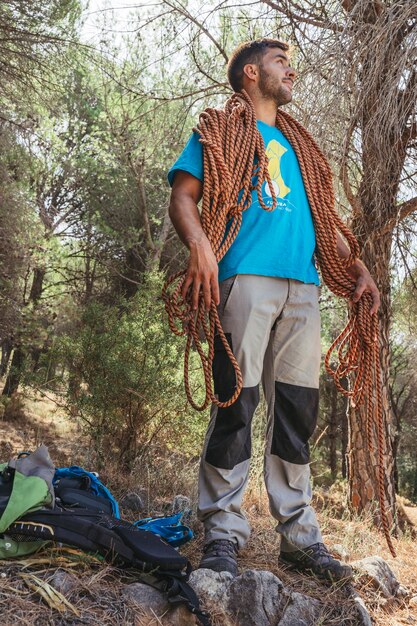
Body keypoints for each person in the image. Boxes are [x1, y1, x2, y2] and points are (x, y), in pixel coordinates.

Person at [167, 39, 380, 582]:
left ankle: (300, 536)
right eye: (283, 62)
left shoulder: (300, 147)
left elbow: (322, 227)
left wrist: (356, 271)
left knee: (297, 413)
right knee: (237, 403)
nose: (292, 70)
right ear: (252, 73)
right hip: (244, 281)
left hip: (303, 289)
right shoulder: (218, 132)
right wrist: (199, 247)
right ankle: (222, 528)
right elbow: (184, 197)